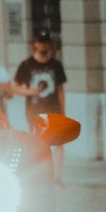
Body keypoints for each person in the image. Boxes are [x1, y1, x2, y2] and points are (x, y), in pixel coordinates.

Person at [13, 34, 68, 183]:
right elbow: (15, 88)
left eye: (46, 43)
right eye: (40, 42)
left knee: (58, 143)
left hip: (54, 109)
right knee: (38, 143)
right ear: (34, 44)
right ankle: (41, 174)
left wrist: (63, 111)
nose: (44, 46)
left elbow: (60, 90)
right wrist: (29, 92)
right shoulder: (26, 65)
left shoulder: (56, 65)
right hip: (34, 111)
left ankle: (57, 175)